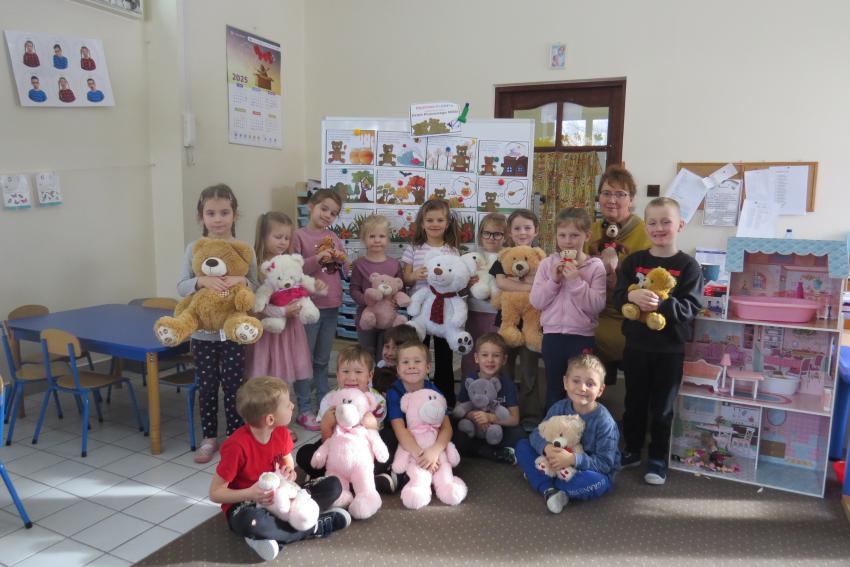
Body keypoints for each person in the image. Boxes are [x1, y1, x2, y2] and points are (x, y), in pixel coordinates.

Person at [209, 377, 351, 561]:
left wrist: (289, 470)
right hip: (247, 504)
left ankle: (272, 534)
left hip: (282, 497)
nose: (292, 405)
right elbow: (215, 493)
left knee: (333, 485)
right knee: (253, 523)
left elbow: (287, 460)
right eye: (287, 404)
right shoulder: (236, 446)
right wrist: (250, 493)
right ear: (270, 419)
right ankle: (313, 527)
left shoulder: (282, 432)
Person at [613, 197, 702, 485]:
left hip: (669, 350)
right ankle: (632, 449)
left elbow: (690, 308)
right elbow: (617, 299)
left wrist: (661, 304)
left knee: (662, 408)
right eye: (652, 222)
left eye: (666, 221)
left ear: (680, 225)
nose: (659, 227)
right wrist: (630, 295)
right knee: (634, 401)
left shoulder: (689, 266)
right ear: (645, 226)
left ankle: (657, 457)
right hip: (636, 346)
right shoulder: (634, 262)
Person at [177, 184, 259, 463]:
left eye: (224, 212)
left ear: (235, 215)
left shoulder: (244, 249)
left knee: (234, 387)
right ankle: (209, 437)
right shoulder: (194, 248)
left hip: (233, 333)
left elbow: (256, 285)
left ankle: (235, 436)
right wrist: (201, 281)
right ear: (201, 217)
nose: (218, 219)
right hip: (203, 334)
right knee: (208, 386)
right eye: (211, 213)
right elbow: (181, 286)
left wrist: (242, 280)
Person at [246, 212, 320, 442]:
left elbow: (298, 289)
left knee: (285, 380)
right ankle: (265, 421)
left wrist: (304, 301)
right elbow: (256, 305)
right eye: (278, 237)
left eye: (287, 238)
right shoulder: (257, 268)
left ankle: (283, 421)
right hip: (268, 333)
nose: (283, 242)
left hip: (290, 331)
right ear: (263, 236)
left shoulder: (289, 263)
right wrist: (282, 312)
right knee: (267, 380)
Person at [515, 354, 620, 514]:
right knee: (522, 446)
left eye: (590, 384)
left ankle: (543, 481)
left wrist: (572, 459)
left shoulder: (605, 422)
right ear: (565, 382)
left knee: (599, 482)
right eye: (576, 381)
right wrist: (546, 448)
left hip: (586, 470)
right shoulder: (559, 407)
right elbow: (537, 433)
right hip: (553, 459)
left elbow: (605, 465)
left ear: (600, 390)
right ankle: (549, 489)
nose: (582, 388)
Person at [530, 208, 606, 411]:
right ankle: (552, 427)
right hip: (552, 336)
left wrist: (575, 282)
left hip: (581, 337)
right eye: (562, 235)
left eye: (574, 235)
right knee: (554, 387)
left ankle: (580, 427)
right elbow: (536, 301)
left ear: (587, 236)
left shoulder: (595, 266)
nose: (568, 241)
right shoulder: (547, 264)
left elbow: (597, 305)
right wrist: (553, 281)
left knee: (581, 390)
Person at [295, 345, 397, 493]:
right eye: (345, 371)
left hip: (365, 452)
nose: (351, 377)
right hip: (338, 447)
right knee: (304, 453)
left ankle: (337, 480)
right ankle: (361, 482)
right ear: (337, 375)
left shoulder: (376, 399)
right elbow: (326, 440)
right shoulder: (330, 399)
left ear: (370, 376)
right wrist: (326, 426)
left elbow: (376, 439)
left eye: (358, 372)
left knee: (391, 437)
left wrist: (372, 425)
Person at [585, 165, 652, 386]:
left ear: (631, 199)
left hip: (627, 312)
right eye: (606, 193)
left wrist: (619, 280)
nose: (612, 200)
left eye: (620, 194)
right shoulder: (592, 230)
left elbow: (649, 281)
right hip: (593, 309)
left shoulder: (645, 232)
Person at [292, 188, 346, 431]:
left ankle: (324, 403)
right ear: (311, 206)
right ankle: (304, 408)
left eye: (333, 213)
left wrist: (341, 259)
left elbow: (341, 269)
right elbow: (293, 270)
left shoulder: (333, 237)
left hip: (331, 306)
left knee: (323, 360)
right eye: (324, 209)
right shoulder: (298, 236)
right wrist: (318, 258)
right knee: (304, 360)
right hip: (308, 308)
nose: (327, 215)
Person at [401, 199, 461, 406]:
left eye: (439, 220)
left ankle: (446, 398)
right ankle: (416, 395)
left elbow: (457, 279)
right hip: (419, 310)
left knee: (445, 355)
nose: (435, 224)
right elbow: (405, 278)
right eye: (429, 220)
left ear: (447, 223)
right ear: (422, 223)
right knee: (417, 353)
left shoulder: (452, 250)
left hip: (444, 310)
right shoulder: (414, 248)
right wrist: (414, 275)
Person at [489, 209, 544, 429]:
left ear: (536, 231)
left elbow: (544, 285)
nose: (522, 232)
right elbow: (501, 283)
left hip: (532, 323)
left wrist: (519, 285)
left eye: (527, 228)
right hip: (507, 322)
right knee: (504, 368)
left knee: (530, 370)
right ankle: (502, 410)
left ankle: (531, 415)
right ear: (509, 232)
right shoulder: (503, 257)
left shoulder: (540, 258)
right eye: (517, 228)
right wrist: (529, 285)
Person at [386, 341, 454, 480]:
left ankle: (437, 469)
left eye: (417, 361)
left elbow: (446, 427)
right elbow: (400, 429)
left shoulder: (434, 392)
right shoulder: (394, 392)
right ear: (398, 369)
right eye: (405, 362)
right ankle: (400, 473)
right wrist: (421, 456)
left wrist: (434, 451)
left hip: (430, 437)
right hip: (405, 439)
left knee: (458, 437)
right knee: (387, 437)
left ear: (428, 367)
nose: (411, 366)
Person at [452, 333, 522, 464]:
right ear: (476, 358)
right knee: (455, 434)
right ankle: (491, 452)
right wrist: (473, 415)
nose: (490, 360)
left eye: (496, 355)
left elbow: (515, 419)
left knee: (519, 435)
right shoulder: (469, 380)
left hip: (497, 430)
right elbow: (457, 411)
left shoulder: (507, 384)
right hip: (473, 429)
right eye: (485, 355)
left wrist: (491, 418)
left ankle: (484, 450)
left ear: (504, 359)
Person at [349, 214, 403, 359]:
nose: (377, 240)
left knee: (385, 356)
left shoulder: (394, 264)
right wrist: (367, 300)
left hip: (388, 319)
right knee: (366, 354)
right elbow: (354, 289)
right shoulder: (359, 264)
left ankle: (382, 374)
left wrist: (397, 302)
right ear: (363, 239)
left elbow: (400, 289)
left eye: (381, 236)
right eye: (372, 236)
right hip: (366, 318)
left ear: (388, 239)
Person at [460, 212, 507, 377]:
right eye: (487, 233)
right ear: (480, 235)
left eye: (497, 234)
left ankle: (497, 388)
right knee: (472, 353)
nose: (491, 238)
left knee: (495, 354)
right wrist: (467, 283)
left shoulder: (508, 257)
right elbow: (459, 285)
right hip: (474, 313)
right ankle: (468, 386)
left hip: (498, 315)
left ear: (505, 236)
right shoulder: (471, 257)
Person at [372, 323, 420, 396]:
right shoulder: (381, 365)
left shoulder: (415, 373)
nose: (389, 353)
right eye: (387, 347)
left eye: (396, 349)